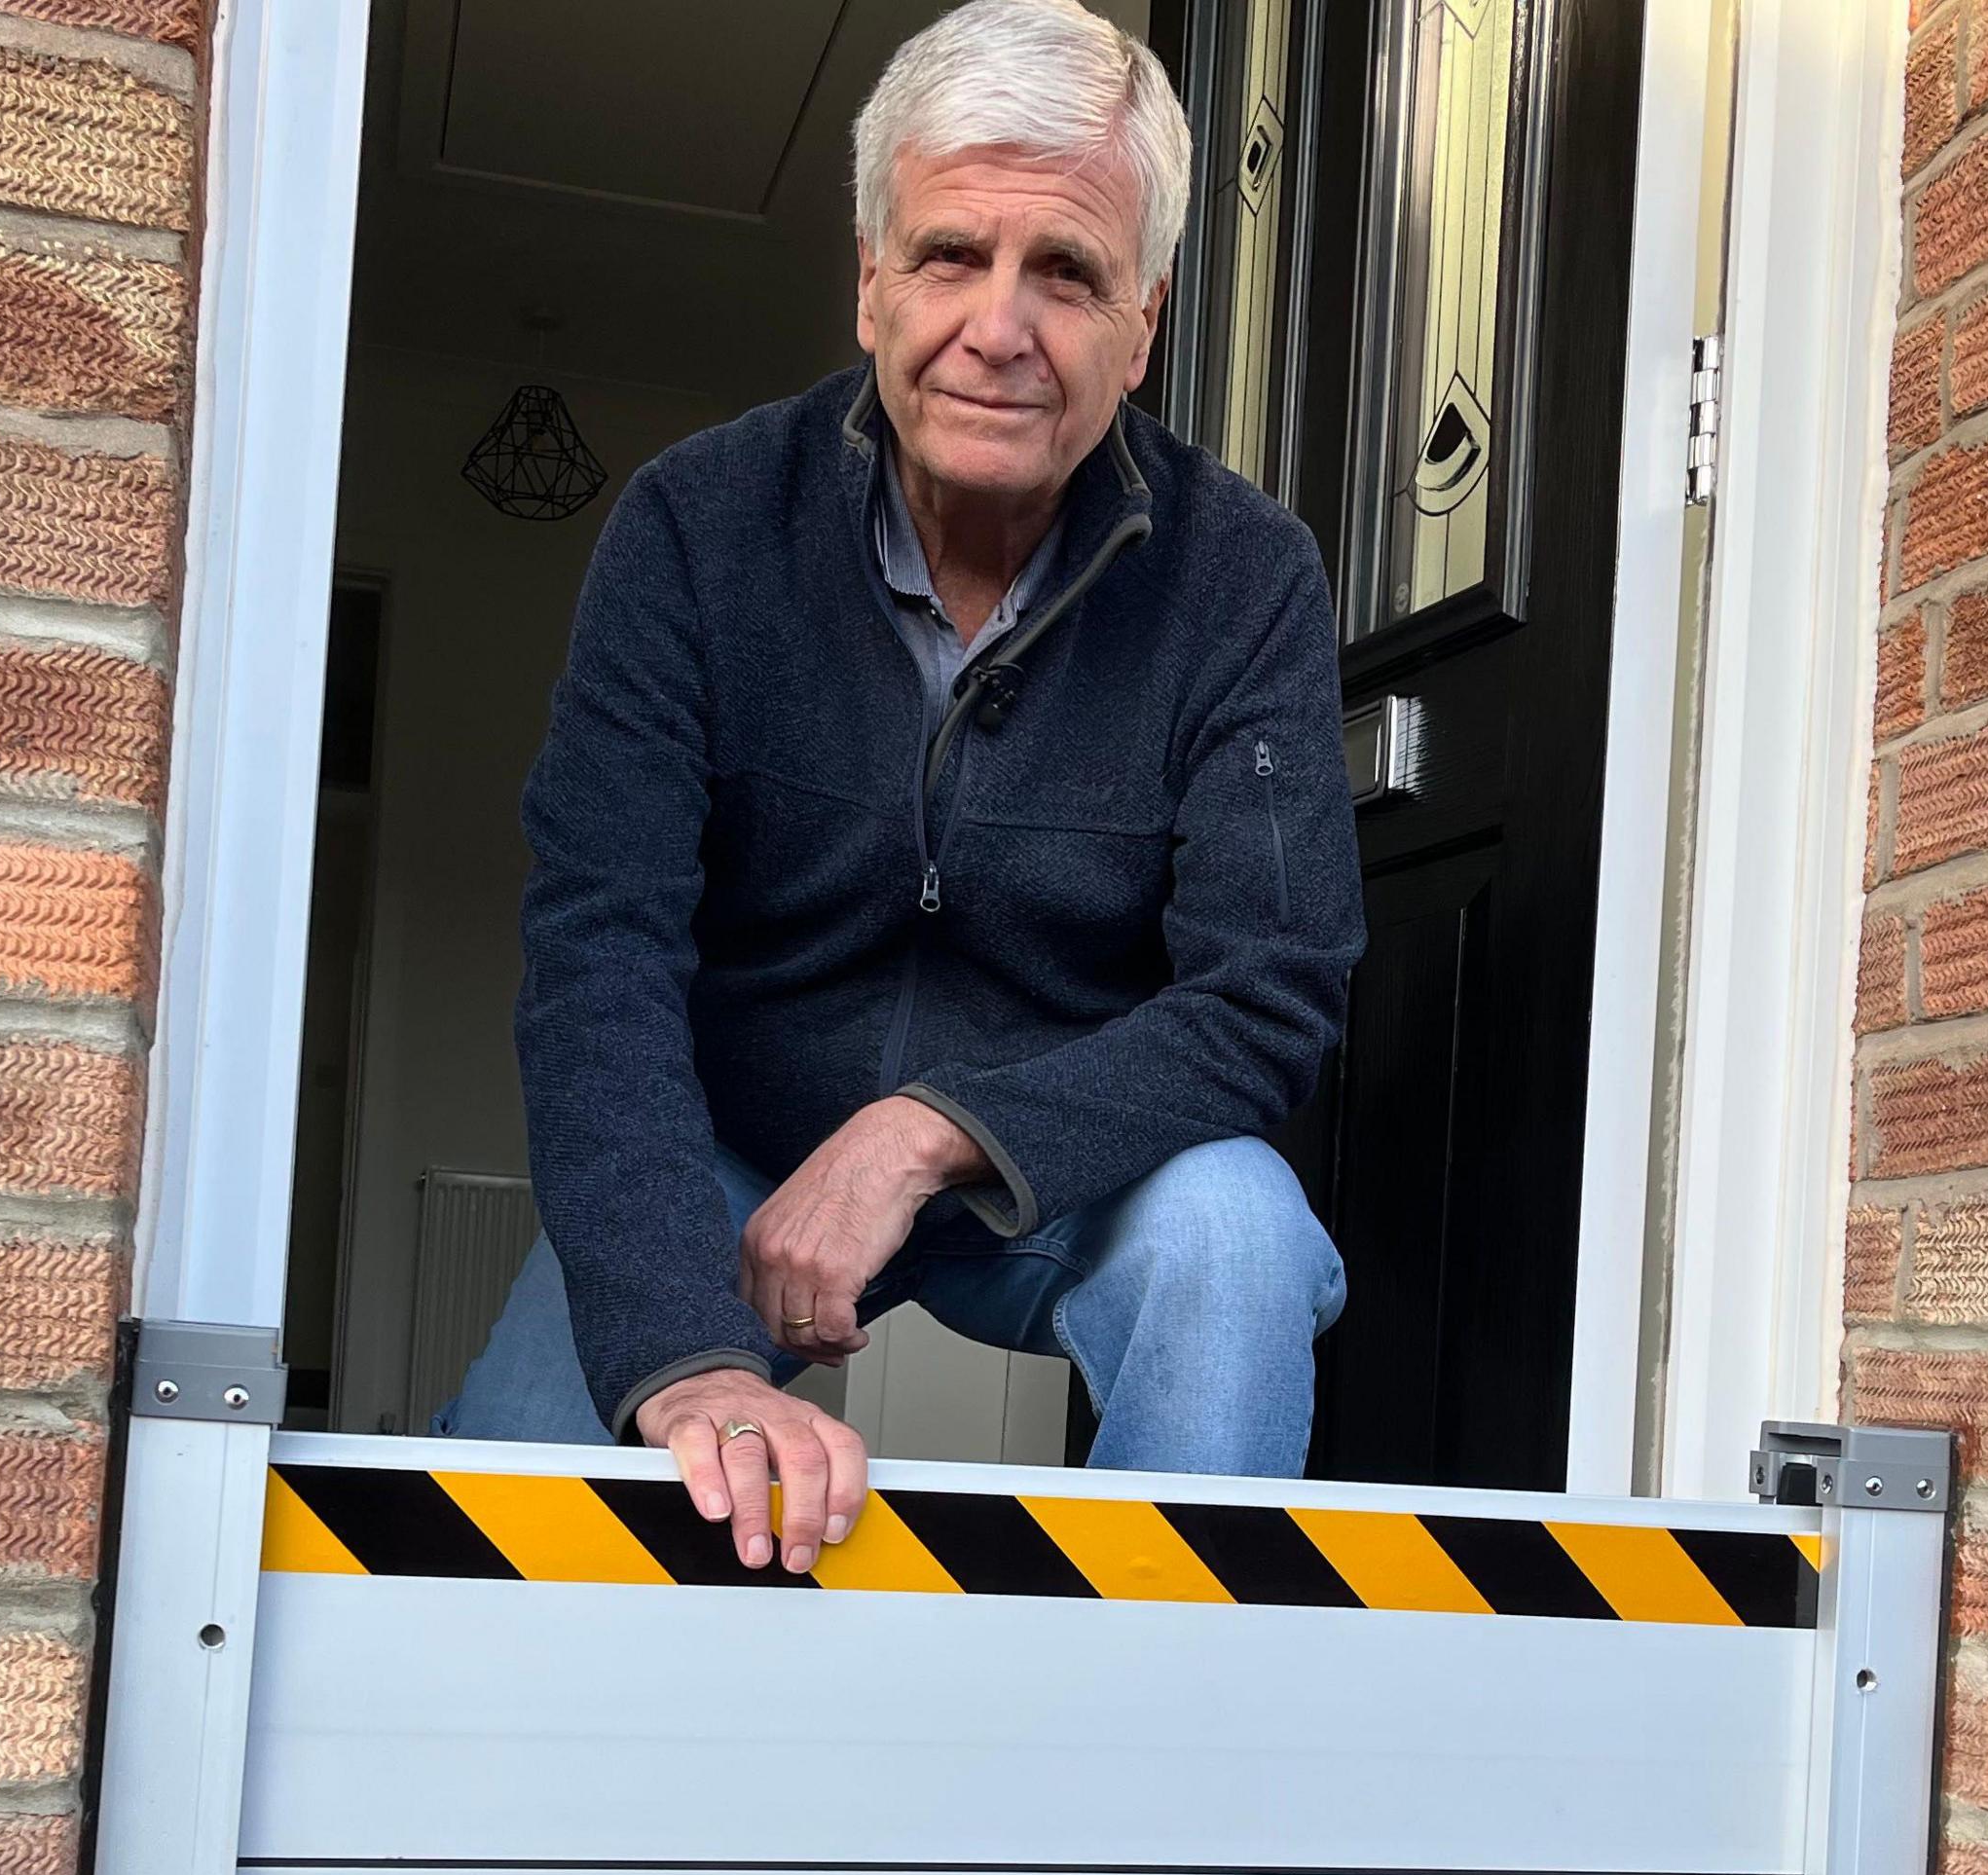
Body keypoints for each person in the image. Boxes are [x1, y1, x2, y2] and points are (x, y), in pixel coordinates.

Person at [440, 0, 1365, 1576]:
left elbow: (1270, 989)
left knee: (1240, 1234)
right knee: (500, 1522)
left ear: (1141, 324)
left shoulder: (1245, 576)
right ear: (870, 279)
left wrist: (926, 1135)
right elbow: (600, 953)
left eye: (1065, 272)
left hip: (1065, 1174)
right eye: (951, 255)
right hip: (734, 1165)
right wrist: (691, 1362)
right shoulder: (695, 528)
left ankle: (1158, 1705)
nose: (1000, 328)